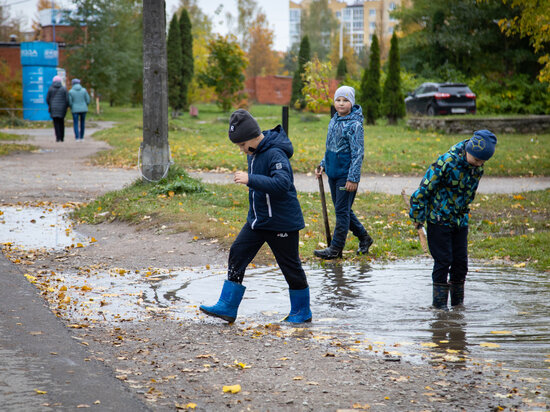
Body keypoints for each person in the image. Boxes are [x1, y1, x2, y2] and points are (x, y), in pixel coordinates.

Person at [200, 109, 312, 324]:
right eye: (239, 146)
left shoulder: (275, 154)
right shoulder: (254, 153)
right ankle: (227, 306)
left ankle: (302, 311)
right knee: (237, 253)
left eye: (243, 145)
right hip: (257, 221)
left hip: (282, 222)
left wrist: (250, 179)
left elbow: (282, 184)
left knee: (290, 266)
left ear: (253, 136)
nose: (242, 150)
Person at [409, 130, 498, 310]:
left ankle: (458, 307)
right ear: (469, 150)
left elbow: (468, 194)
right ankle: (440, 308)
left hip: (460, 221)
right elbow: (423, 191)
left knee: (460, 263)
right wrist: (418, 217)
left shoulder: (476, 168)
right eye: (477, 160)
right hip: (438, 220)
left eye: (483, 162)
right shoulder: (446, 162)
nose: (479, 164)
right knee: (443, 260)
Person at [314, 86, 373, 260]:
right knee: (343, 210)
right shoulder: (334, 120)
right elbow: (330, 147)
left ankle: (335, 249)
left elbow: (358, 153)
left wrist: (353, 178)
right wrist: (323, 164)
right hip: (333, 172)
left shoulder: (354, 124)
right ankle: (365, 238)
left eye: (345, 100)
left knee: (341, 212)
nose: (341, 103)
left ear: (352, 103)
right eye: (338, 100)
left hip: (346, 176)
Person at [46, 75, 69, 142]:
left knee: (56, 123)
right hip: (62, 108)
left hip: (54, 108)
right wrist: (66, 106)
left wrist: (50, 105)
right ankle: (62, 137)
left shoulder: (50, 89)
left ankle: (57, 137)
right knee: (61, 122)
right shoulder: (64, 89)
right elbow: (67, 99)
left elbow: (47, 99)